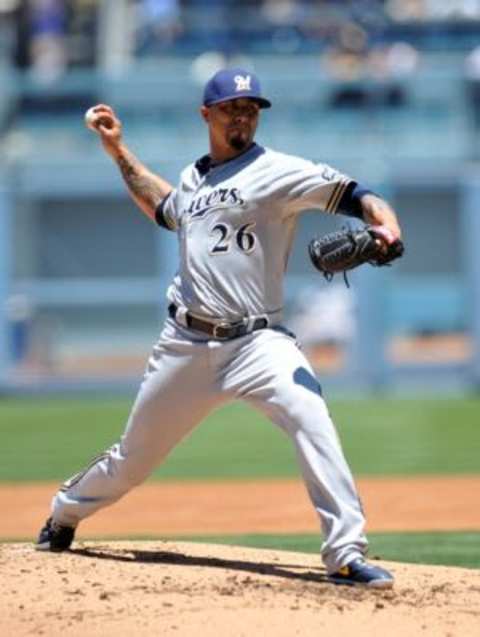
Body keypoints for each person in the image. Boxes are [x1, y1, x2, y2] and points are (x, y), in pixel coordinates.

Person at [36, 68, 401, 588]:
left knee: (310, 417)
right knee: (133, 458)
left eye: (251, 108)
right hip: (185, 344)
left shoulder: (278, 171)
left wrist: (387, 228)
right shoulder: (192, 179)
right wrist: (117, 150)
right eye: (233, 107)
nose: (244, 116)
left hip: (259, 342)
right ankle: (64, 512)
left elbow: (359, 196)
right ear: (207, 115)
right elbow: (164, 207)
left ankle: (345, 551)